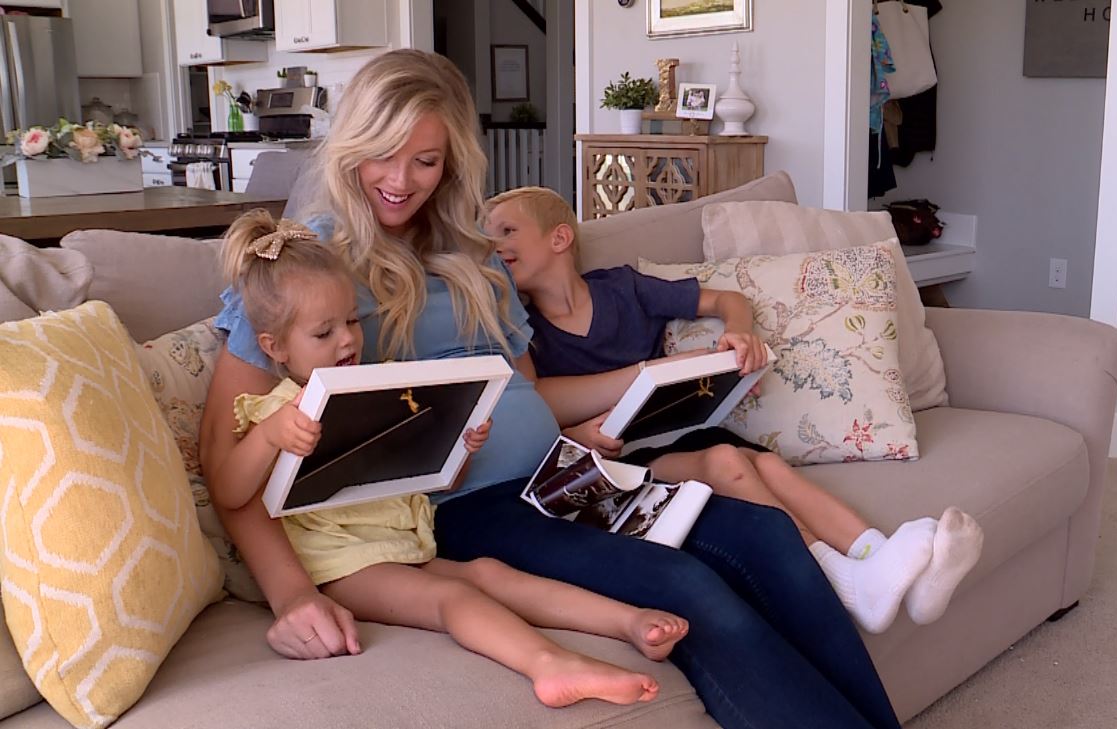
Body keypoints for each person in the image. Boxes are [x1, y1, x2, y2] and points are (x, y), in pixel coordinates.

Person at [199, 49, 901, 729]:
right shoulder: (306, 267)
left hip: (561, 473)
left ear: (451, 164)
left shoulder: (476, 255)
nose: (400, 179)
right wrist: (292, 594)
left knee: (766, 533)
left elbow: (529, 395)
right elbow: (227, 449)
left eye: (425, 159)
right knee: (684, 585)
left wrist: (641, 389)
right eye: (382, 152)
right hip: (464, 507)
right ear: (351, 145)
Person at [208, 209, 688, 708]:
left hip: (401, 538)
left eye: (352, 320)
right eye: (323, 333)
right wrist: (268, 437)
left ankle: (626, 621)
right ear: (274, 346)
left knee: (487, 574)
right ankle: (550, 666)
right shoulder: (273, 410)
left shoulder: (366, 390)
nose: (348, 339)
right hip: (341, 565)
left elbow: (417, 480)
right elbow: (229, 490)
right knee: (455, 598)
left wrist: (458, 450)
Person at [483, 186, 985, 633]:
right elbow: (533, 403)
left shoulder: (621, 287)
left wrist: (740, 330)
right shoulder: (522, 326)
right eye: (488, 238)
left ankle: (880, 556)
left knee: (767, 464)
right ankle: (846, 578)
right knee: (727, 461)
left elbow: (726, 300)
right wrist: (577, 430)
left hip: (674, 433)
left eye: (508, 230)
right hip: (618, 465)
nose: (496, 246)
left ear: (559, 238)